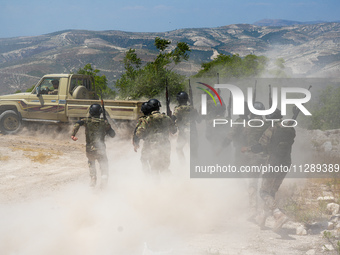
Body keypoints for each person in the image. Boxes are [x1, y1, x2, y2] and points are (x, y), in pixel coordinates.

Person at [243, 109, 296, 231]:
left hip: (273, 163)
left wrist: (248, 149)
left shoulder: (271, 129)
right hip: (286, 163)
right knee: (271, 192)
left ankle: (278, 214)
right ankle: (263, 217)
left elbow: (260, 146)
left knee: (263, 192)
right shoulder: (291, 129)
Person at [71, 104, 115, 188]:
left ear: (90, 112)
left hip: (89, 149)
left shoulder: (86, 121)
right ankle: (104, 179)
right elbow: (113, 135)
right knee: (104, 163)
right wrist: (108, 125)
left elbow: (77, 123)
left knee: (91, 162)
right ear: (100, 112)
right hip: (100, 149)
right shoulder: (104, 123)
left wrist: (73, 134)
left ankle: (93, 178)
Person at [134, 99, 177, 174]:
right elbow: (174, 130)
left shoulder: (148, 119)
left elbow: (139, 133)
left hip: (153, 145)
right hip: (165, 145)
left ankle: (156, 185)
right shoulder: (166, 118)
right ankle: (169, 184)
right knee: (164, 168)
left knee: (154, 169)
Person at [172, 91, 200, 162]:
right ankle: (195, 165)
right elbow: (199, 120)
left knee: (179, 149)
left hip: (183, 132)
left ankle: (183, 164)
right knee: (194, 150)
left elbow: (173, 118)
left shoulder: (178, 109)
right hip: (193, 131)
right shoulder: (193, 108)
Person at [132, 102, 153, 173]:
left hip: (149, 143)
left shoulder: (143, 120)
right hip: (162, 142)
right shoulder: (156, 117)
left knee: (144, 159)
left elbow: (137, 132)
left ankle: (147, 175)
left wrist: (136, 143)